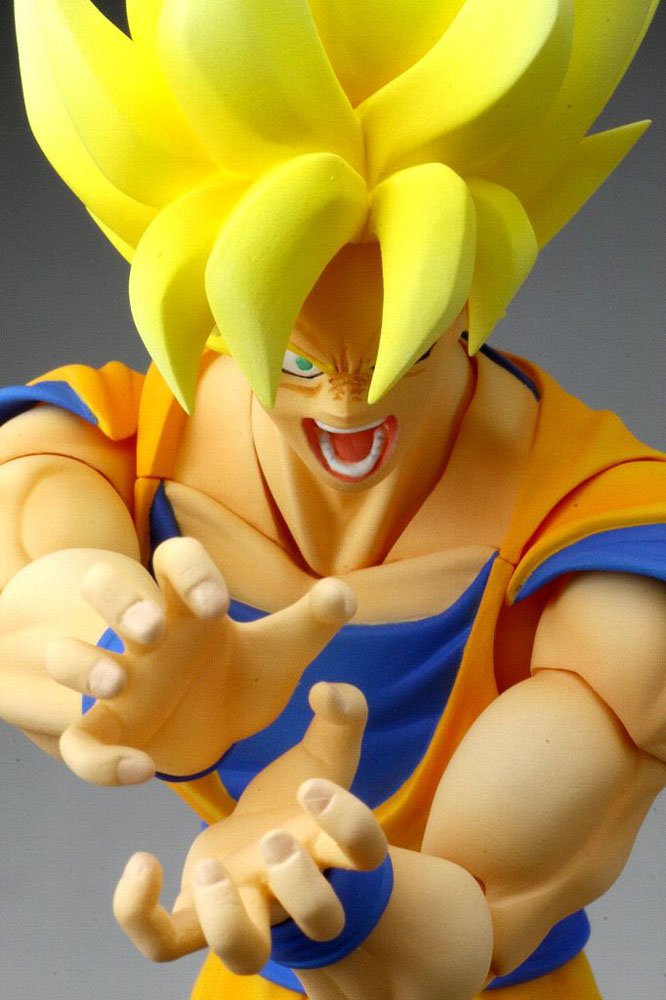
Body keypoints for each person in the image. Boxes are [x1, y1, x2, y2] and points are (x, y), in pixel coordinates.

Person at [0, 2, 664, 998]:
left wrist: (336, 898)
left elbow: (484, 916)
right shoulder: (103, 446)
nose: (350, 404)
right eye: (298, 360)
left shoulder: (608, 559)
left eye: (412, 346)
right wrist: (112, 653)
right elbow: (29, 587)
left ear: (470, 302)